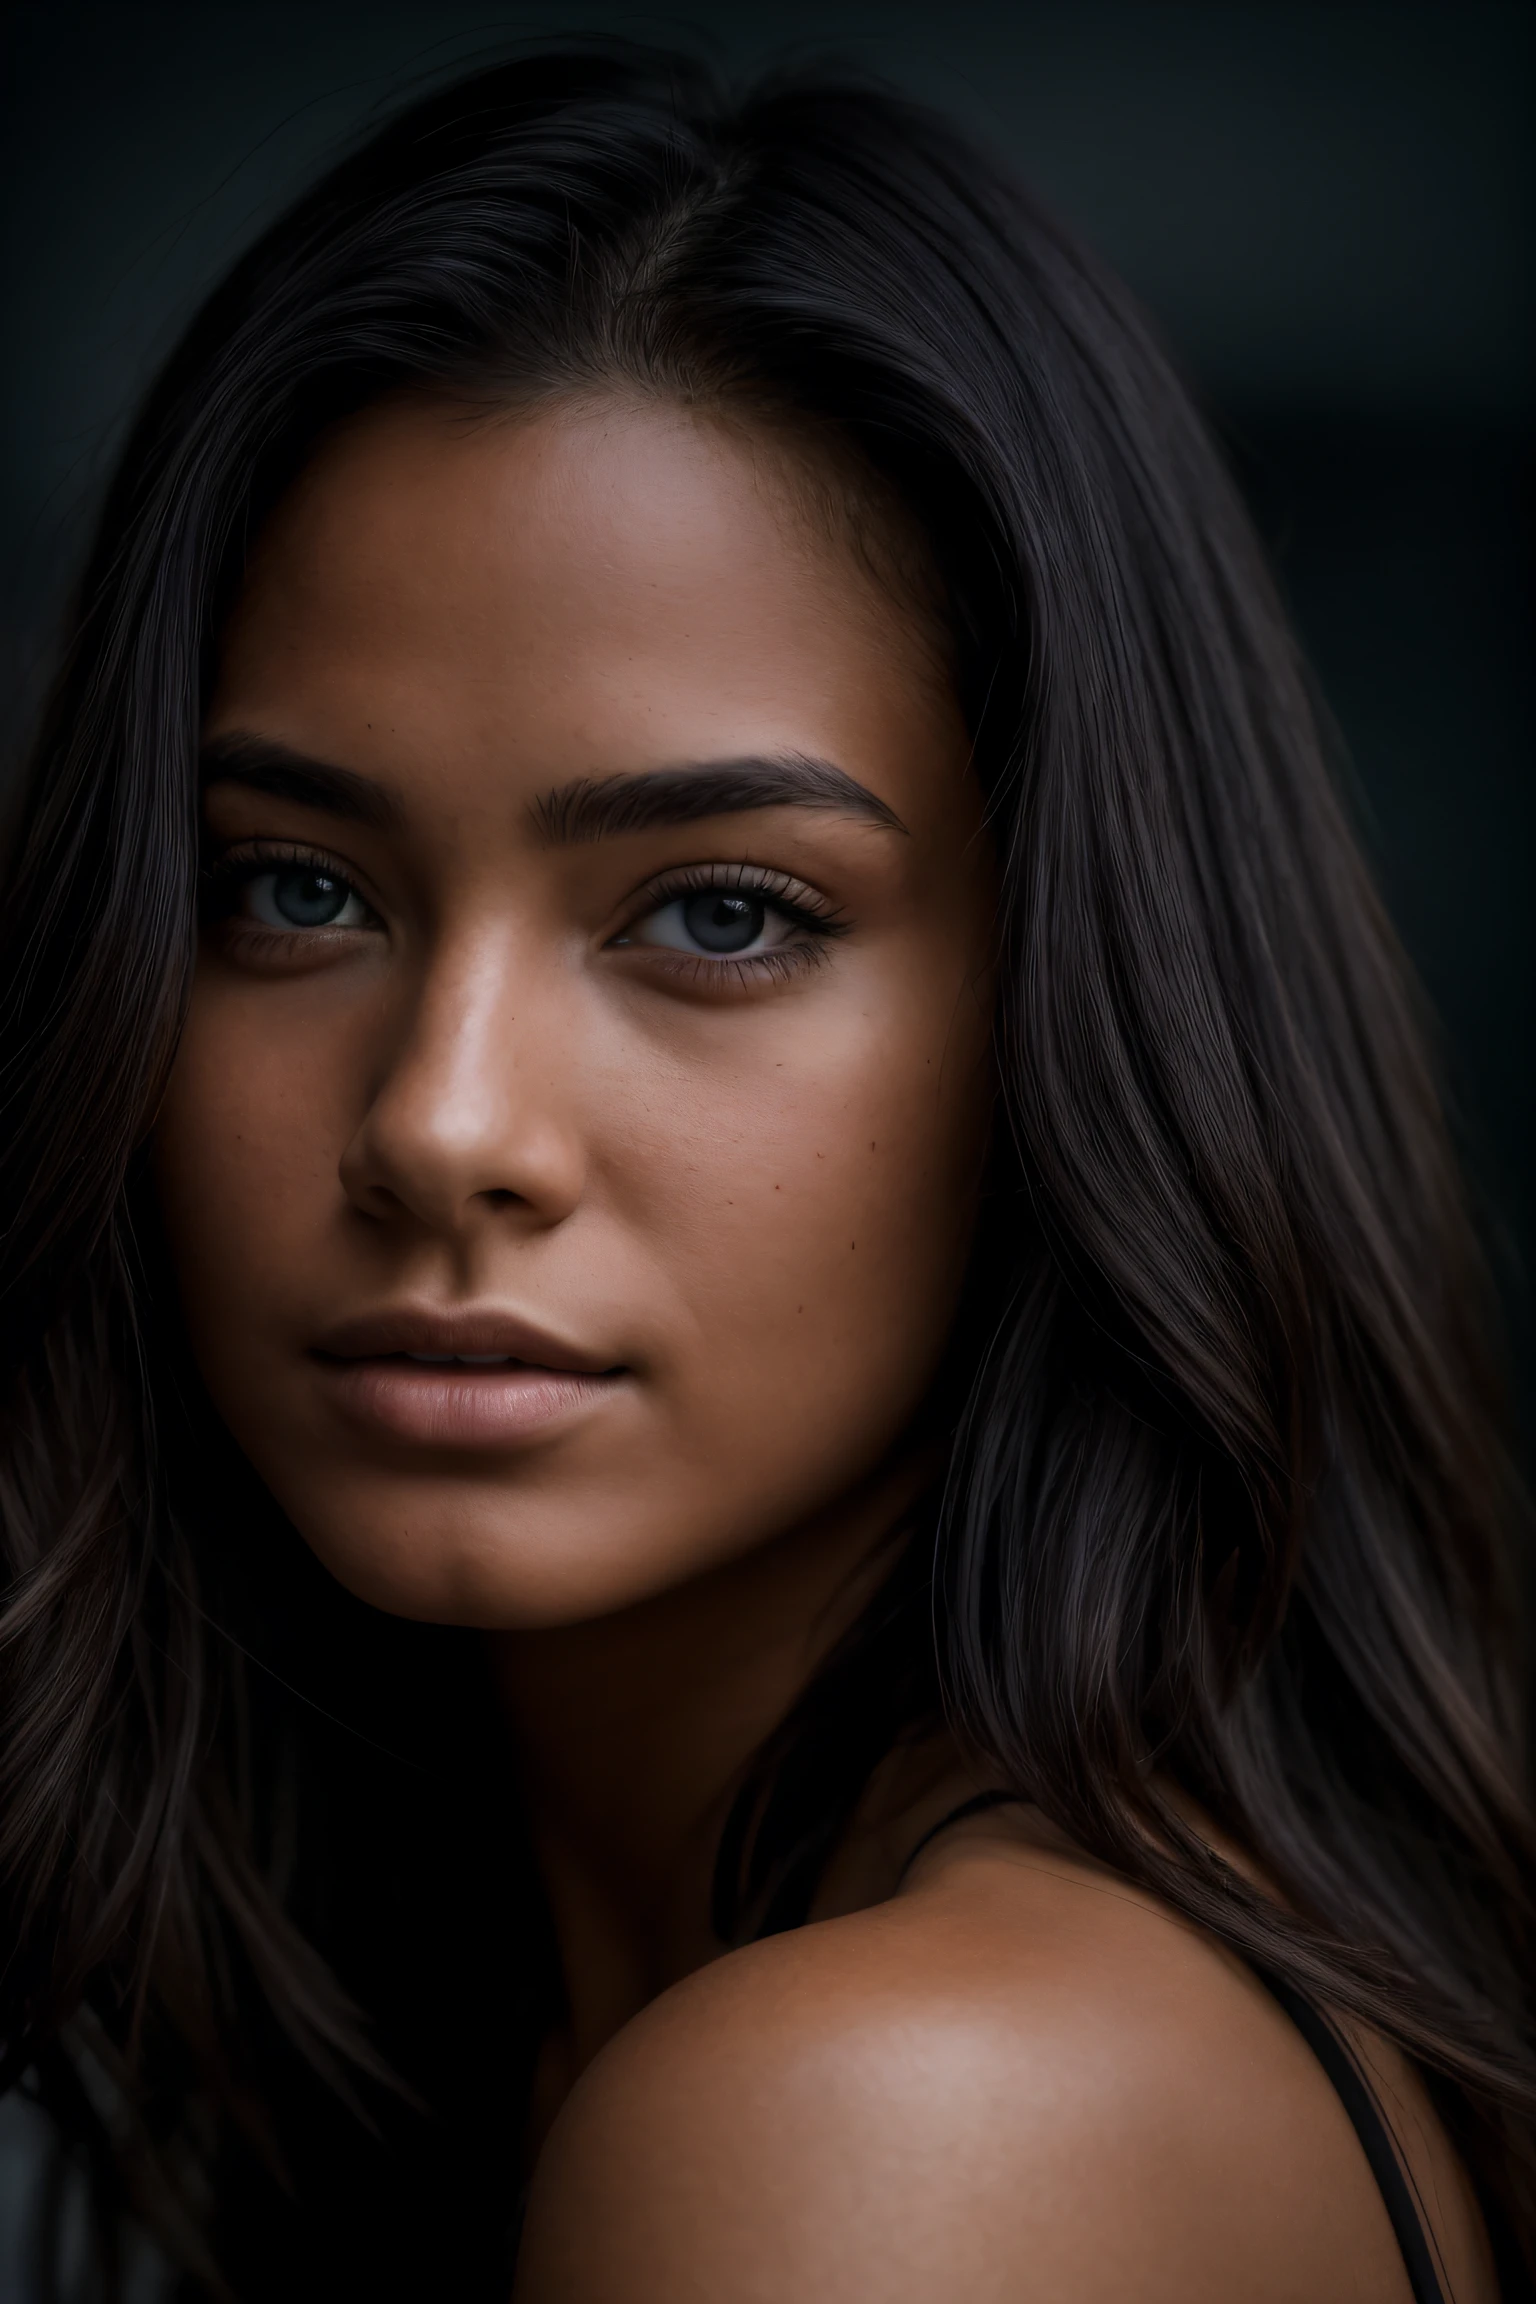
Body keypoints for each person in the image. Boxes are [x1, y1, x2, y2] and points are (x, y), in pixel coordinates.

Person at [0, 43, 1530, 2303]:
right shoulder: (558, 2016)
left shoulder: (884, 2131)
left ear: (1068, 1010)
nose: (444, 1121)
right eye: (294, 891)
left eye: (722, 912)